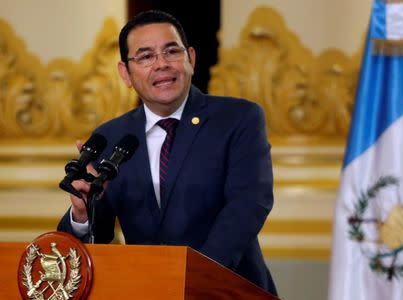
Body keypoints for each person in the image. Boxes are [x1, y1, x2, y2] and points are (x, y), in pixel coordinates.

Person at [57, 10, 277, 295]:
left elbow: (249, 205)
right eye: (146, 56)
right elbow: (92, 237)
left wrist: (193, 279)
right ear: (125, 72)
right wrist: (82, 214)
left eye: (172, 51)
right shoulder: (110, 137)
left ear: (191, 59)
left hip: (225, 290)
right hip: (146, 290)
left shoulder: (237, 118)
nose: (162, 64)